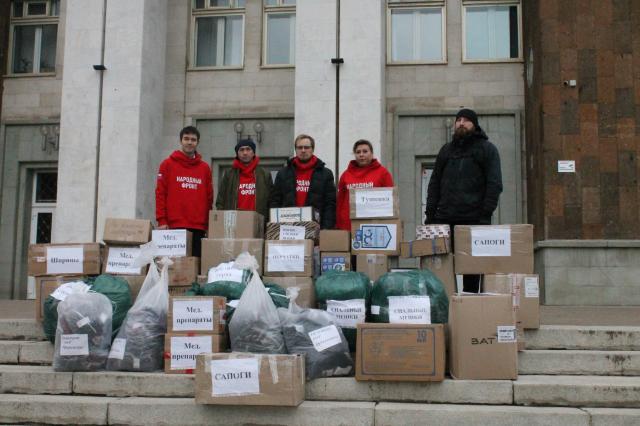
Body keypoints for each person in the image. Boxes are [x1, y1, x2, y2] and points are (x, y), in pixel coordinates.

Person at [425, 108, 503, 292]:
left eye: (466, 120)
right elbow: (434, 184)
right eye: (458, 120)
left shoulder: (487, 149)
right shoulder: (446, 151)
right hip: (444, 219)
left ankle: (470, 307)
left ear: (474, 125)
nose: (461, 123)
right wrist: (430, 216)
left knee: (472, 270)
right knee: (441, 268)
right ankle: (446, 306)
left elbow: (495, 184)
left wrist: (485, 214)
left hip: (474, 220)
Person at [155, 126, 213, 257]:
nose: (189, 142)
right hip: (173, 226)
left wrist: (208, 224)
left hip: (198, 227)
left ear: (197, 142)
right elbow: (160, 193)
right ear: (181, 141)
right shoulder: (167, 164)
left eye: (193, 139)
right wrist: (162, 220)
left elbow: (209, 197)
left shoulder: (205, 168)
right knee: (173, 269)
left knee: (195, 266)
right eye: (186, 139)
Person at [270, 134, 336, 229]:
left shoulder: (326, 174)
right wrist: (276, 226)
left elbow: (330, 204)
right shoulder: (283, 173)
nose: (303, 150)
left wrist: (326, 228)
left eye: (307, 147)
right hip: (288, 228)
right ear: (295, 150)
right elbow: (275, 201)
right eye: (300, 147)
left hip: (316, 227)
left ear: (312, 149)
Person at [335, 139, 394, 230]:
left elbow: (390, 202)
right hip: (348, 226)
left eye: (365, 151)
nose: (361, 155)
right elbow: (340, 202)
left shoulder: (383, 173)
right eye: (358, 152)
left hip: (374, 226)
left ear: (372, 153)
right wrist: (337, 225)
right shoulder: (345, 175)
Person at [215, 138, 273, 220]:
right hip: (234, 222)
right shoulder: (229, 174)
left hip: (258, 222)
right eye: (241, 150)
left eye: (248, 149)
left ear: (253, 153)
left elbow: (271, 202)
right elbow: (220, 201)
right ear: (237, 154)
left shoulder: (264, 174)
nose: (245, 153)